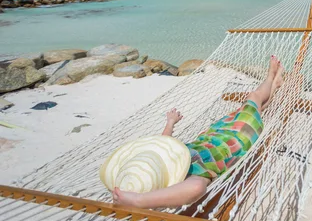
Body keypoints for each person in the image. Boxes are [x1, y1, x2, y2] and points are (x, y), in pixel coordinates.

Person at [113, 56, 285, 209]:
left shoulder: (165, 161)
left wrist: (170, 122)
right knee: (253, 98)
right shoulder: (193, 174)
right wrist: (138, 200)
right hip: (238, 139)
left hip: (214, 134)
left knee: (255, 108)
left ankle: (274, 84)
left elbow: (163, 143)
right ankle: (270, 78)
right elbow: (197, 188)